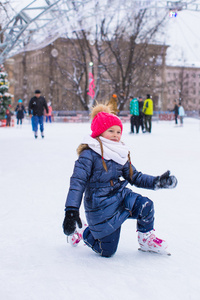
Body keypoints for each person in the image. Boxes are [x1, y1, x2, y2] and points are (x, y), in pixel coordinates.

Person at [62, 103, 178, 257]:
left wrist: (157, 181)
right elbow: (77, 182)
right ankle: (83, 231)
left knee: (146, 205)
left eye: (118, 131)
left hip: (120, 196)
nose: (116, 135)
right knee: (107, 251)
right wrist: (71, 211)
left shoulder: (119, 152)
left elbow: (135, 176)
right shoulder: (89, 154)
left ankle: (146, 240)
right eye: (111, 131)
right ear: (99, 133)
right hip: (100, 206)